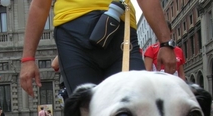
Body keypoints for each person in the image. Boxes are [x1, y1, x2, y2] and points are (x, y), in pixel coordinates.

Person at [20, 0, 177, 97]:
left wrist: (165, 43)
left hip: (122, 33)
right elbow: (40, 5)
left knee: (139, 108)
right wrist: (28, 58)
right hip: (72, 34)